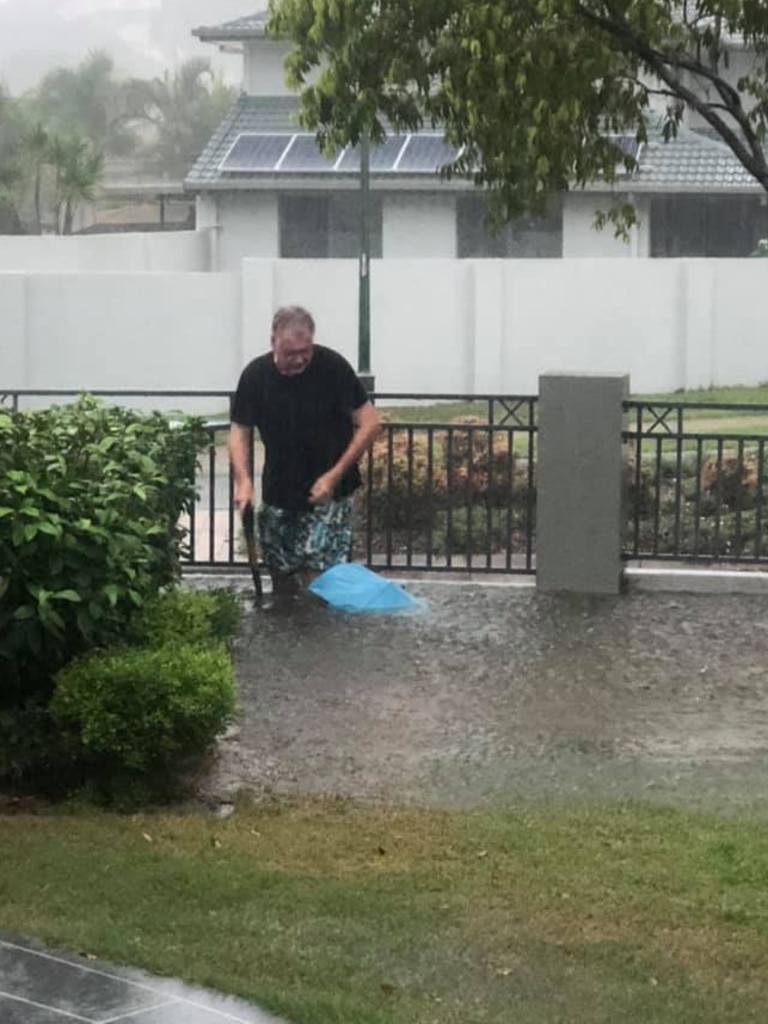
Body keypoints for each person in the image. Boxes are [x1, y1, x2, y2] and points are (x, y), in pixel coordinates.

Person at [228, 305, 381, 601]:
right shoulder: (255, 376)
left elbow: (370, 423)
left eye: (305, 351)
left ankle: (322, 641)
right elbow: (239, 430)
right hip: (279, 491)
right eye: (290, 353)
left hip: (330, 493)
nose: (299, 359)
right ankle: (287, 638)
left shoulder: (333, 367)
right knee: (280, 571)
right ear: (273, 341)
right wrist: (243, 481)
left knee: (317, 574)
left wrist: (334, 476)